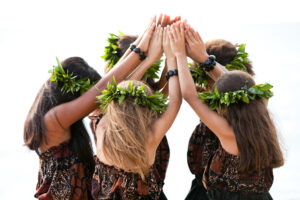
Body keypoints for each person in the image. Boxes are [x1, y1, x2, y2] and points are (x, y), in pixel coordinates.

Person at [24, 16, 156, 200]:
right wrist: (142, 50)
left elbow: (108, 89)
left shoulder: (59, 121)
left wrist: (145, 45)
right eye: (86, 97)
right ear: (70, 92)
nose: (93, 105)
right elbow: (102, 91)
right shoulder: (52, 119)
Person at [168, 22, 284, 200]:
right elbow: (239, 90)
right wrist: (205, 59)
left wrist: (178, 54)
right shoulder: (261, 110)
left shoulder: (227, 131)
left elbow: (190, 95)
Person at [91, 25, 182, 200]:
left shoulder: (102, 118)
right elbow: (175, 100)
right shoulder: (150, 133)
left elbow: (163, 91)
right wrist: (172, 56)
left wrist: (159, 58)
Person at [183, 24, 256, 199]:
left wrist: (203, 59)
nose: (203, 87)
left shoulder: (249, 109)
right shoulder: (256, 109)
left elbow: (235, 87)